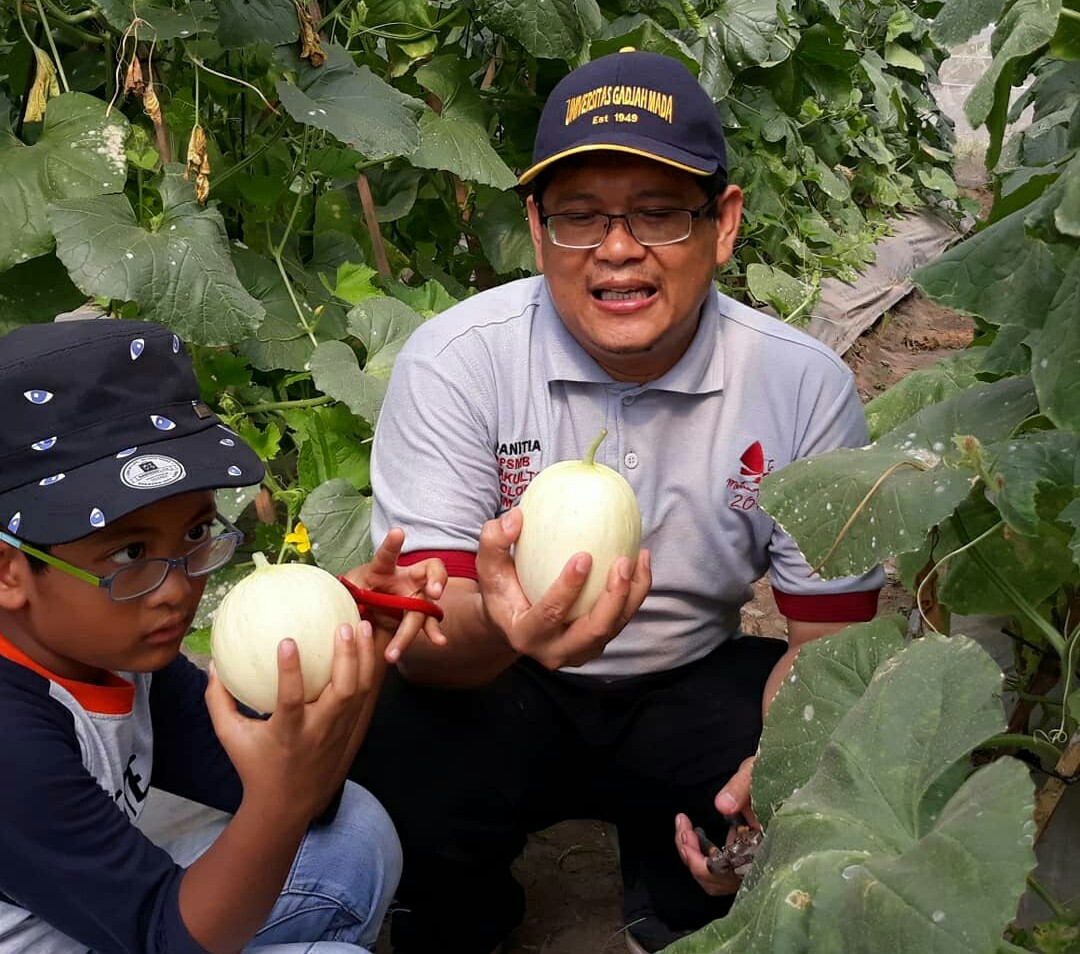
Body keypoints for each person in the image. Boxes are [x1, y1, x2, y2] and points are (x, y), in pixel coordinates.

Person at [349, 49, 884, 954]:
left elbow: (828, 644)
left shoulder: (801, 385)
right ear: (536, 226)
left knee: (792, 775)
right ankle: (461, 911)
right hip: (500, 676)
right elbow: (427, 634)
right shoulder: (457, 361)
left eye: (660, 213)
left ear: (724, 223)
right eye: (580, 217)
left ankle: (675, 885)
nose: (618, 248)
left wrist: (775, 776)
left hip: (689, 675)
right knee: (402, 749)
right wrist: (505, 629)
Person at [0, 318, 446, 954]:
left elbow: (308, 797)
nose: (177, 589)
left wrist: (356, 641)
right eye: (129, 553)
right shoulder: (11, 744)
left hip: (102, 921)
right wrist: (281, 803)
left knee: (354, 834)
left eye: (194, 535)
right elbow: (167, 937)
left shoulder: (118, 652)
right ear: (9, 573)